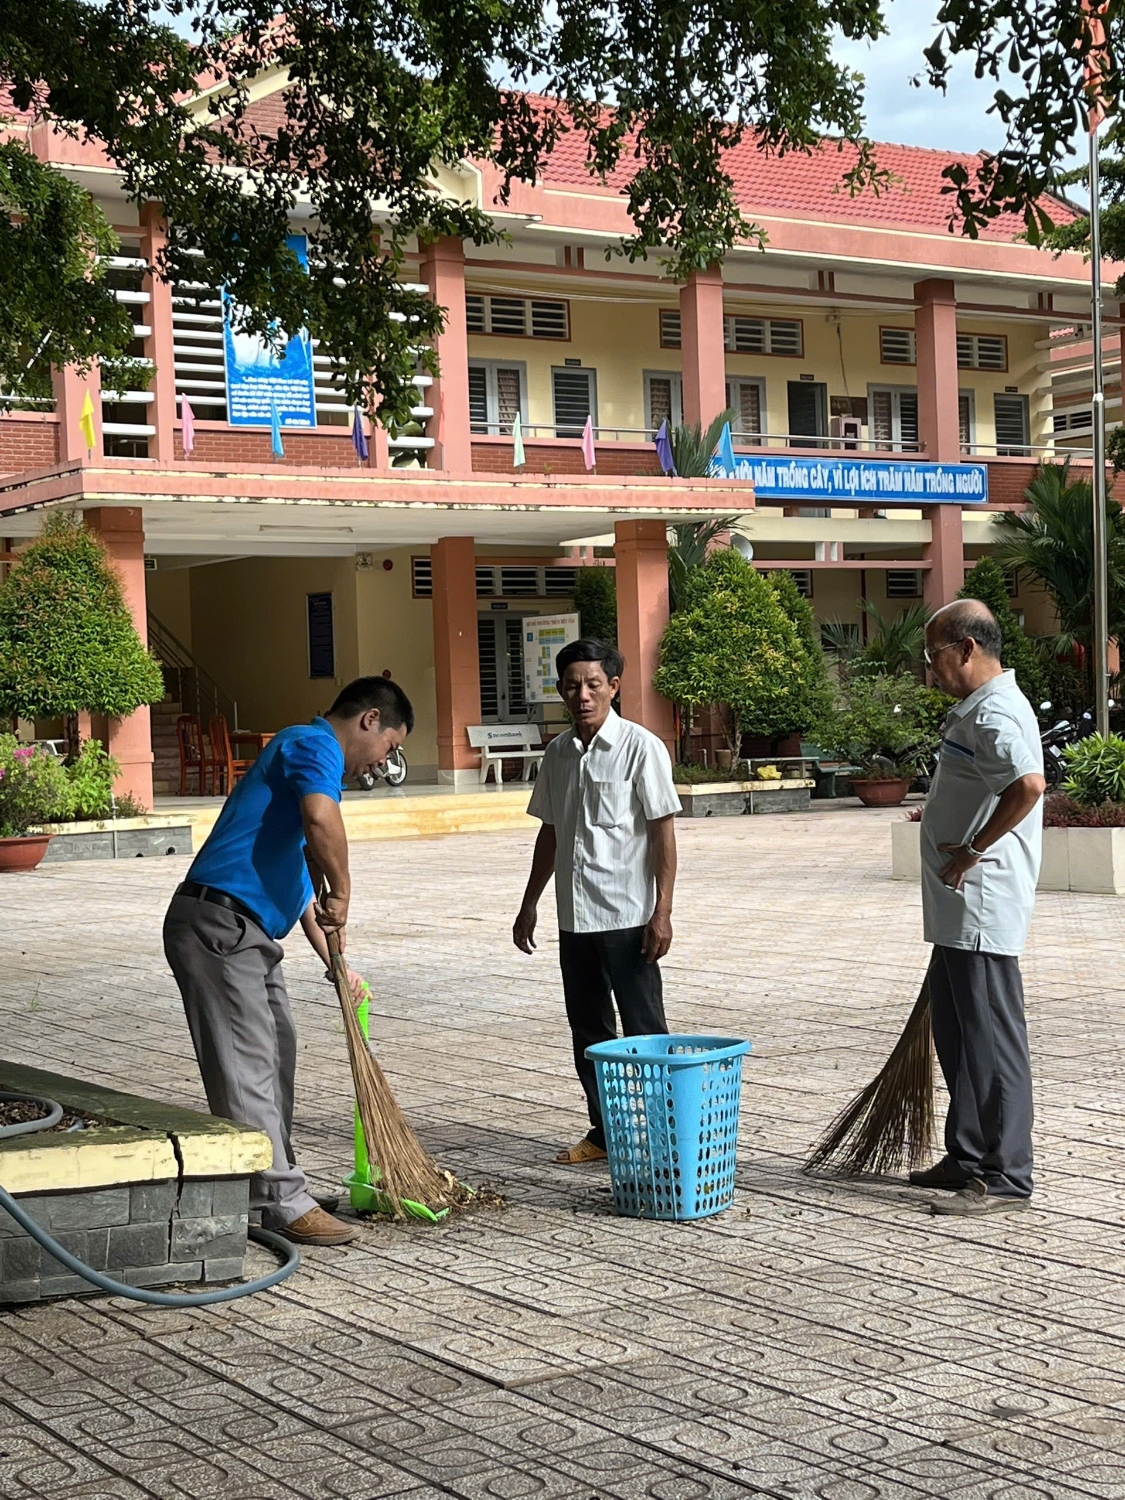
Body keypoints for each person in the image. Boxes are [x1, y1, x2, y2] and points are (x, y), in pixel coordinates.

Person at [163, 677, 413, 1245]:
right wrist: (345, 892)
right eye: (391, 747)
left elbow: (302, 888)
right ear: (370, 720)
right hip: (218, 925)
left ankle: (272, 1187)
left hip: (245, 933)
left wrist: (337, 967)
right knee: (247, 1062)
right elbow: (322, 821)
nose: (383, 761)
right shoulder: (312, 743)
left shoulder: (301, 772)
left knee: (276, 1050)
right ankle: (280, 1199)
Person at [513, 638, 682, 1164]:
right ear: (560, 689)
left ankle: (665, 1134)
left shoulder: (640, 748)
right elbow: (551, 832)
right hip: (575, 916)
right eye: (571, 684)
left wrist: (663, 912)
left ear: (614, 686)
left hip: (628, 915)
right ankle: (605, 1131)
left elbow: (662, 833)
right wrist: (530, 902)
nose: (581, 694)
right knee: (588, 1027)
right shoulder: (559, 753)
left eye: (592, 684)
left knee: (645, 1027)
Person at [913, 600, 1046, 1216]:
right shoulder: (977, 711)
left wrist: (971, 848)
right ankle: (966, 1155)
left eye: (933, 655)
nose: (929, 669)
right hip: (957, 908)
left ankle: (1006, 1175)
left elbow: (1027, 787)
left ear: (966, 649)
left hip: (982, 904)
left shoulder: (996, 713)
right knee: (959, 1034)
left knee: (990, 1039)